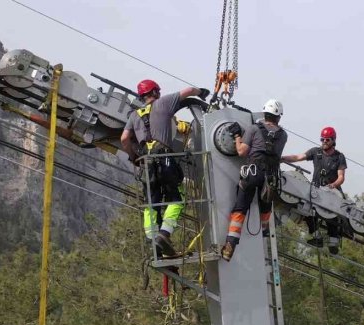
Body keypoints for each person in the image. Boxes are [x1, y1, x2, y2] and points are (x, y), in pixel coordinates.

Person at [120, 79, 208, 257]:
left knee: (151, 203)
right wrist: (201, 93)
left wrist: (134, 157)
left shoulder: (134, 115)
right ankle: (164, 235)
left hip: (146, 161)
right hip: (164, 156)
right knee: (177, 198)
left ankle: (154, 245)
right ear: (155, 92)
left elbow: (124, 139)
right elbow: (189, 90)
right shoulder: (165, 103)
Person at [220, 99, 288, 261]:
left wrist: (238, 135)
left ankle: (229, 246)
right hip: (270, 178)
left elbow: (241, 151)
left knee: (240, 208)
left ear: (264, 113)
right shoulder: (283, 135)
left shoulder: (253, 129)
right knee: (265, 208)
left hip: (253, 173)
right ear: (278, 117)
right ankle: (264, 234)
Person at [281, 126, 347, 254]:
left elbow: (341, 177)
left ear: (333, 140)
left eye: (327, 140)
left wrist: (333, 185)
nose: (324, 142)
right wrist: (282, 158)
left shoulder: (339, 157)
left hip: (331, 192)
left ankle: (333, 242)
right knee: (307, 210)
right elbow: (298, 157)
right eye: (322, 139)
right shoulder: (316, 152)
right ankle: (317, 236)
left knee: (331, 214)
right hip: (316, 190)